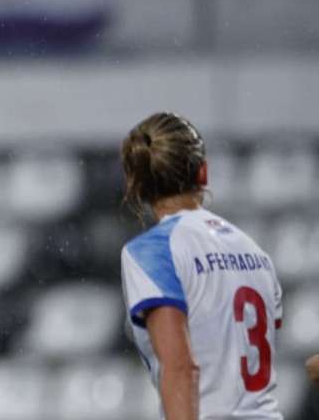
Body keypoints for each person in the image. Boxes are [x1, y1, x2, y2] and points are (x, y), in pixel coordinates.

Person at [119, 112, 284, 420]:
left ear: (138, 185)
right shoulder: (255, 251)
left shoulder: (151, 251)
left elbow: (181, 367)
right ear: (203, 173)